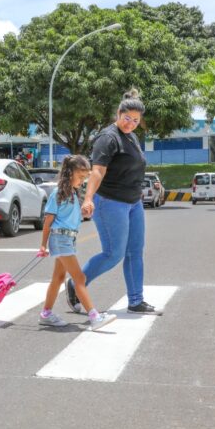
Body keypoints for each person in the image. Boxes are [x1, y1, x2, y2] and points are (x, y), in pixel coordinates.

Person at [65, 89, 161, 316]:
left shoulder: (132, 137)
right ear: (118, 113)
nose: (130, 124)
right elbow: (97, 172)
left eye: (136, 121)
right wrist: (88, 198)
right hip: (110, 202)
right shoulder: (107, 138)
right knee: (113, 253)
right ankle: (76, 284)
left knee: (135, 252)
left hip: (133, 203)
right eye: (127, 118)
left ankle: (136, 300)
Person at [38, 155, 118, 330]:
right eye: (81, 177)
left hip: (68, 239)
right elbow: (48, 221)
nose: (83, 181)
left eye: (85, 177)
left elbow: (70, 218)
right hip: (61, 239)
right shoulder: (58, 193)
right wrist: (43, 245)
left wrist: (84, 213)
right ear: (70, 173)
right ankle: (94, 316)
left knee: (58, 278)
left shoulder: (73, 193)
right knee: (79, 278)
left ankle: (46, 313)